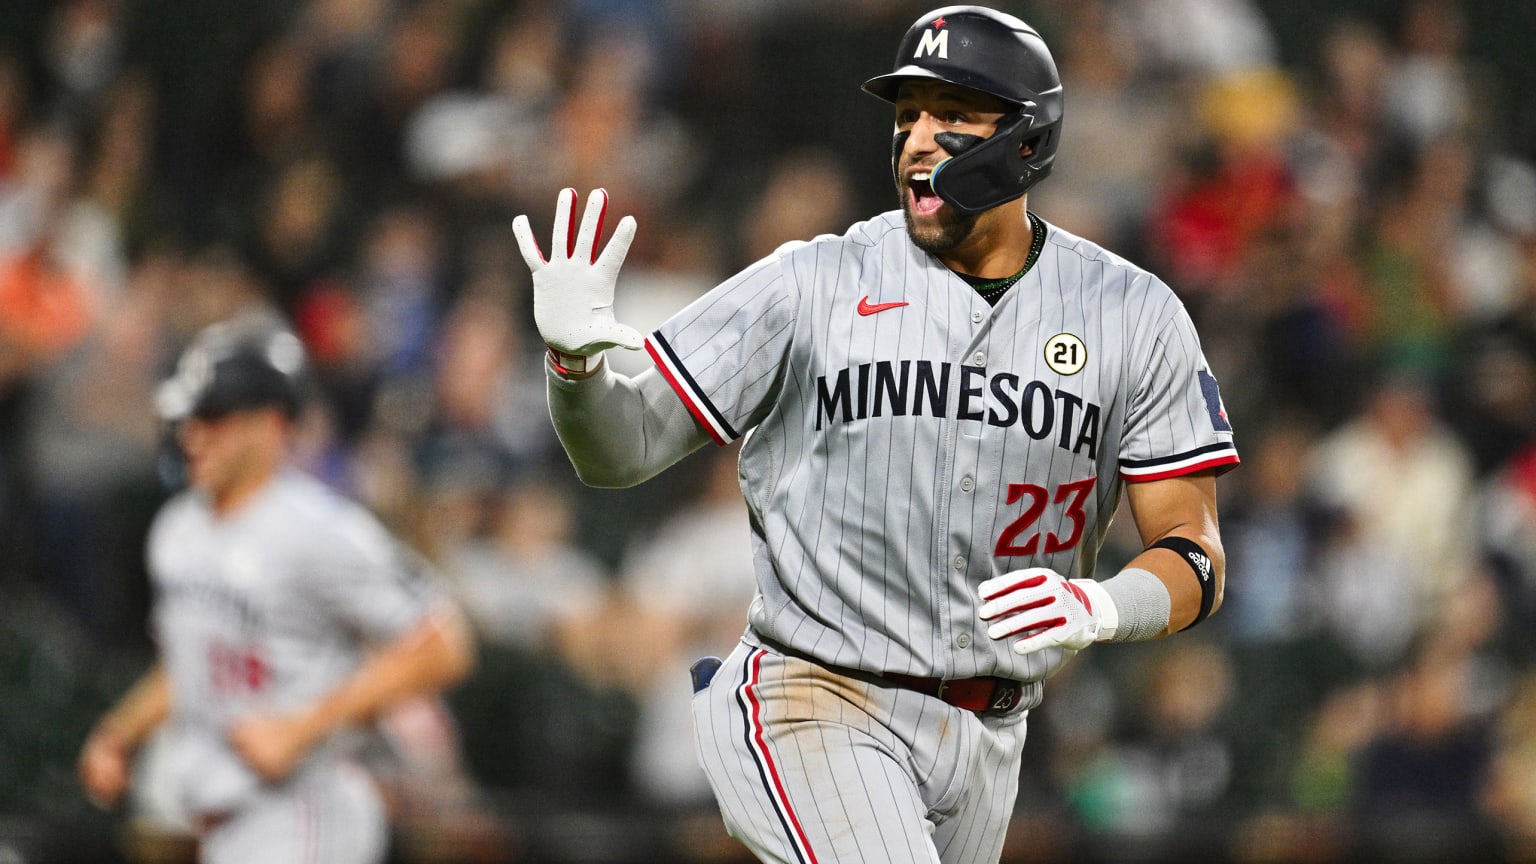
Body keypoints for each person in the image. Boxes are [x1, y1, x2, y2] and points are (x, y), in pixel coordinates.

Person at [511, 6, 1239, 863]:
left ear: (1028, 140)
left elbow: (1194, 553)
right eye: (906, 118)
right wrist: (573, 367)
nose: (918, 141)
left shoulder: (1134, 314)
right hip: (812, 692)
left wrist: (1103, 603)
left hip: (990, 733)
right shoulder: (813, 280)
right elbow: (620, 450)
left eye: (951, 116)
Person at [76, 313, 476, 864]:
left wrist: (304, 727)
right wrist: (120, 731)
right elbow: (194, 661)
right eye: (190, 416)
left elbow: (443, 643)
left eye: (213, 416)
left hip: (303, 811)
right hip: (225, 824)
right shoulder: (177, 530)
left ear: (269, 426)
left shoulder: (318, 529)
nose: (192, 433)